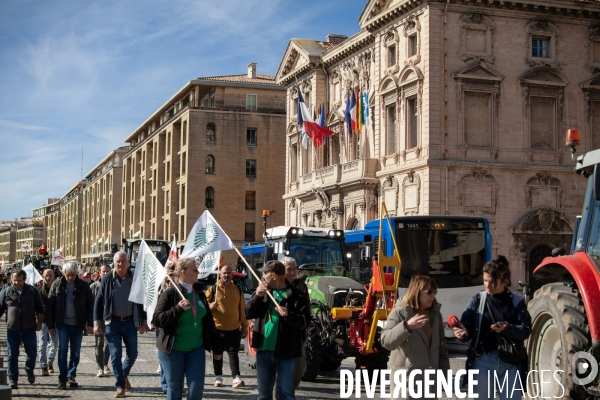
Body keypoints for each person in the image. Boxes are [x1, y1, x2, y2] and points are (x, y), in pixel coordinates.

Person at [453, 255, 532, 400]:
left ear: (505, 281)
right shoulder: (476, 300)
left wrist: (508, 329)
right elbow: (467, 327)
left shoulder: (516, 302)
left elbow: (526, 330)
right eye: (485, 281)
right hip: (482, 361)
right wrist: (463, 332)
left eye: (493, 282)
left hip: (510, 361)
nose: (488, 285)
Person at [245, 260, 310, 400]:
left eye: (265, 274)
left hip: (286, 352)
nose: (263, 277)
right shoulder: (263, 292)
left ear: (273, 275)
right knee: (264, 394)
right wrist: (257, 297)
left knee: (286, 393)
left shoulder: (297, 295)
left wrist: (289, 315)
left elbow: (305, 321)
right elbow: (248, 314)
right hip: (263, 350)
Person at [153, 257, 215, 400]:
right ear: (183, 273)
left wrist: (215, 346)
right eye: (194, 269)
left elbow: (208, 322)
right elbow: (157, 319)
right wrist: (178, 309)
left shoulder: (199, 293)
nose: (198, 271)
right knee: (175, 389)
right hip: (173, 349)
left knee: (196, 389)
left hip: (196, 348)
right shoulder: (170, 293)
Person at [380, 275, 449, 398]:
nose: (433, 296)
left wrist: (444, 377)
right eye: (429, 292)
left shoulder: (435, 314)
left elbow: (441, 349)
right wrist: (407, 327)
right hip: (406, 385)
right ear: (416, 291)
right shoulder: (400, 312)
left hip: (430, 385)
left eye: (434, 292)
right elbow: (386, 342)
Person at [94, 251, 149, 398]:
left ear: (128, 262)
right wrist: (96, 322)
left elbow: (143, 301)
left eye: (123, 261)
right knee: (115, 354)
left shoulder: (135, 278)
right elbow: (99, 301)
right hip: (112, 323)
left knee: (133, 353)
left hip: (130, 322)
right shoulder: (107, 279)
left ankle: (123, 375)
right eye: (118, 261)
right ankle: (120, 386)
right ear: (114, 262)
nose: (120, 264)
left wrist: (144, 321)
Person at [47, 261, 94, 389]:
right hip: (62, 324)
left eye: (73, 275)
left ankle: (71, 374)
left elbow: (90, 306)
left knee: (76, 352)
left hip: (78, 324)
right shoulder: (57, 285)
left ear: (76, 273)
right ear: (64, 273)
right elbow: (50, 306)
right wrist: (51, 326)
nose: (70, 277)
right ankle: (62, 378)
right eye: (68, 275)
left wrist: (90, 323)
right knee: (62, 350)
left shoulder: (83, 286)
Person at [0, 269, 45, 389]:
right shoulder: (6, 292)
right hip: (12, 329)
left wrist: (39, 323)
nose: (16, 282)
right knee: (12, 355)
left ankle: (29, 369)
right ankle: (13, 379)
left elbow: (40, 309)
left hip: (29, 329)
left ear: (24, 280)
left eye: (19, 280)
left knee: (32, 353)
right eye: (14, 280)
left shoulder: (32, 291)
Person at [205, 263, 248, 388]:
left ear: (232, 275)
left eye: (229, 273)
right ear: (220, 275)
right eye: (224, 273)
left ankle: (236, 377)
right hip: (217, 329)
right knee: (217, 354)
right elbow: (203, 305)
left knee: (233, 353)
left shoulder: (238, 291)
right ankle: (218, 377)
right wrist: (209, 306)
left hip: (234, 328)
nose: (226, 275)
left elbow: (242, 310)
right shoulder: (212, 289)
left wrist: (244, 326)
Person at [282, 257, 309, 390]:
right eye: (289, 269)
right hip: (282, 335)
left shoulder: (301, 285)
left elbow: (307, 308)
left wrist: (307, 326)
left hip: (298, 333)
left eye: (294, 269)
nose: (292, 272)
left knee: (299, 371)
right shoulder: (278, 285)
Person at [90, 264, 112, 378]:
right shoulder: (93, 286)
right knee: (99, 343)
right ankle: (99, 367)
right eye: (103, 271)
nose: (105, 273)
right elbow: (90, 305)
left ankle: (105, 363)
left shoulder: (113, 285)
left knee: (109, 343)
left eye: (107, 271)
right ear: (99, 272)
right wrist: (91, 321)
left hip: (110, 319)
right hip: (98, 319)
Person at [37, 268, 58, 376]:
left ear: (54, 277)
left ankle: (50, 362)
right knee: (42, 344)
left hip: (55, 321)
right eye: (46, 275)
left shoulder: (58, 289)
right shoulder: (39, 290)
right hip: (43, 321)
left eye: (50, 275)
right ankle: (43, 366)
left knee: (55, 344)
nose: (48, 277)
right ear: (43, 276)